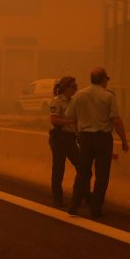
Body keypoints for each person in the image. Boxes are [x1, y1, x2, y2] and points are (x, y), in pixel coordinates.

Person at [66, 67, 129, 218]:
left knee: (83, 172)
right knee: (102, 175)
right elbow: (116, 120)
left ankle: (74, 204)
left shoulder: (79, 95)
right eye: (107, 79)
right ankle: (95, 208)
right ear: (103, 80)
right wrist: (124, 140)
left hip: (85, 138)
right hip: (103, 139)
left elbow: (70, 116)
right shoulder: (108, 96)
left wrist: (79, 131)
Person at [48, 76, 80, 207]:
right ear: (65, 88)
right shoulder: (57, 101)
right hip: (59, 138)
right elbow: (54, 120)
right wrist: (71, 122)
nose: (75, 89)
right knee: (58, 169)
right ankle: (57, 198)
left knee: (81, 166)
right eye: (73, 87)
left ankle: (82, 194)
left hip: (71, 138)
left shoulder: (74, 101)